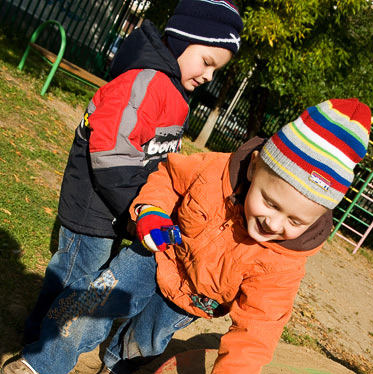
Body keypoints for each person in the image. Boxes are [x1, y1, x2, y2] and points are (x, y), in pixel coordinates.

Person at [2, 98, 371, 374]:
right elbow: (168, 178)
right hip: (160, 250)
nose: (273, 223)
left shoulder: (284, 263)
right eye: (270, 203)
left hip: (195, 297)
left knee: (147, 341)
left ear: (318, 218)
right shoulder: (214, 172)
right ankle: (43, 359)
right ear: (256, 166)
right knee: (92, 301)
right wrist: (151, 210)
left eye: (295, 221)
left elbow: (257, 332)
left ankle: (116, 366)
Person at [23, 0, 243, 344]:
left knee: (95, 278)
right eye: (206, 62)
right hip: (94, 209)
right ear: (183, 41)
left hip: (120, 209)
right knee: (74, 274)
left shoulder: (173, 91)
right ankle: (39, 338)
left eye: (216, 70)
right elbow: (111, 154)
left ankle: (60, 335)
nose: (208, 76)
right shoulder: (144, 82)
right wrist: (137, 209)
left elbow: (162, 154)